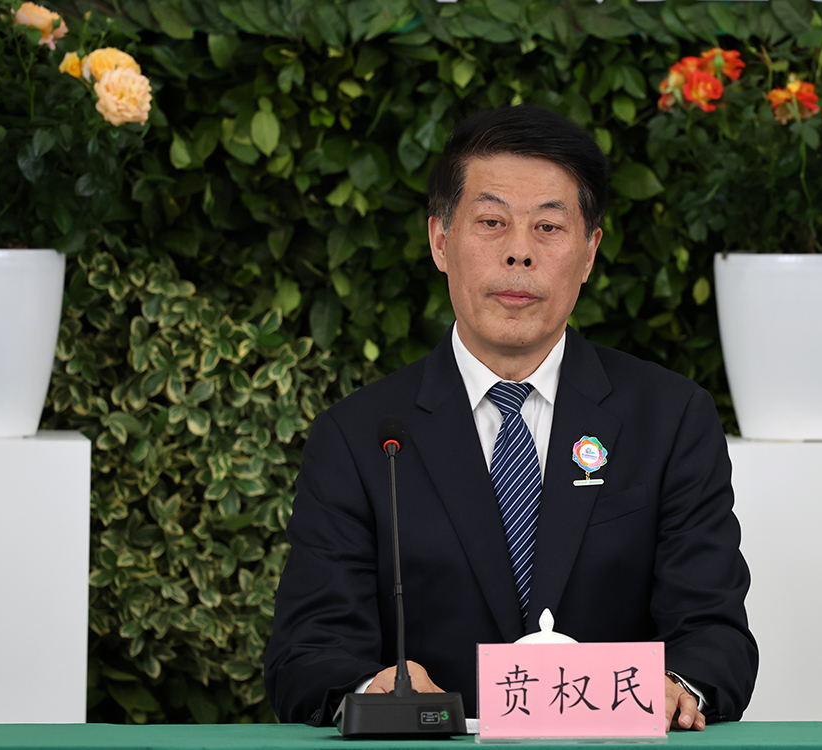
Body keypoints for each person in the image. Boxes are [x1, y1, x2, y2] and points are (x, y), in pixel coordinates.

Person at [264, 105, 757, 728]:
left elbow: (714, 633)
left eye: (549, 227)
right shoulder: (360, 438)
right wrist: (371, 688)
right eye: (492, 222)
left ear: (589, 253)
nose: (519, 253)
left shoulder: (670, 418)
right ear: (440, 242)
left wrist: (678, 686)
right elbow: (308, 652)